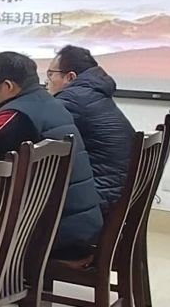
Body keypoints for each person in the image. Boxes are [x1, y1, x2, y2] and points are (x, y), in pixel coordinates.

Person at [0, 51, 103, 259]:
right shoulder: (51, 103)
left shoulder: (17, 114)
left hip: (50, 233)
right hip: (77, 223)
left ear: (7, 86)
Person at [46, 45, 135, 210]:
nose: (46, 81)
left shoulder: (73, 99)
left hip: (100, 195)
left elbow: (40, 135)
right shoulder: (92, 94)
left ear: (70, 77)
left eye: (51, 74)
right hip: (116, 189)